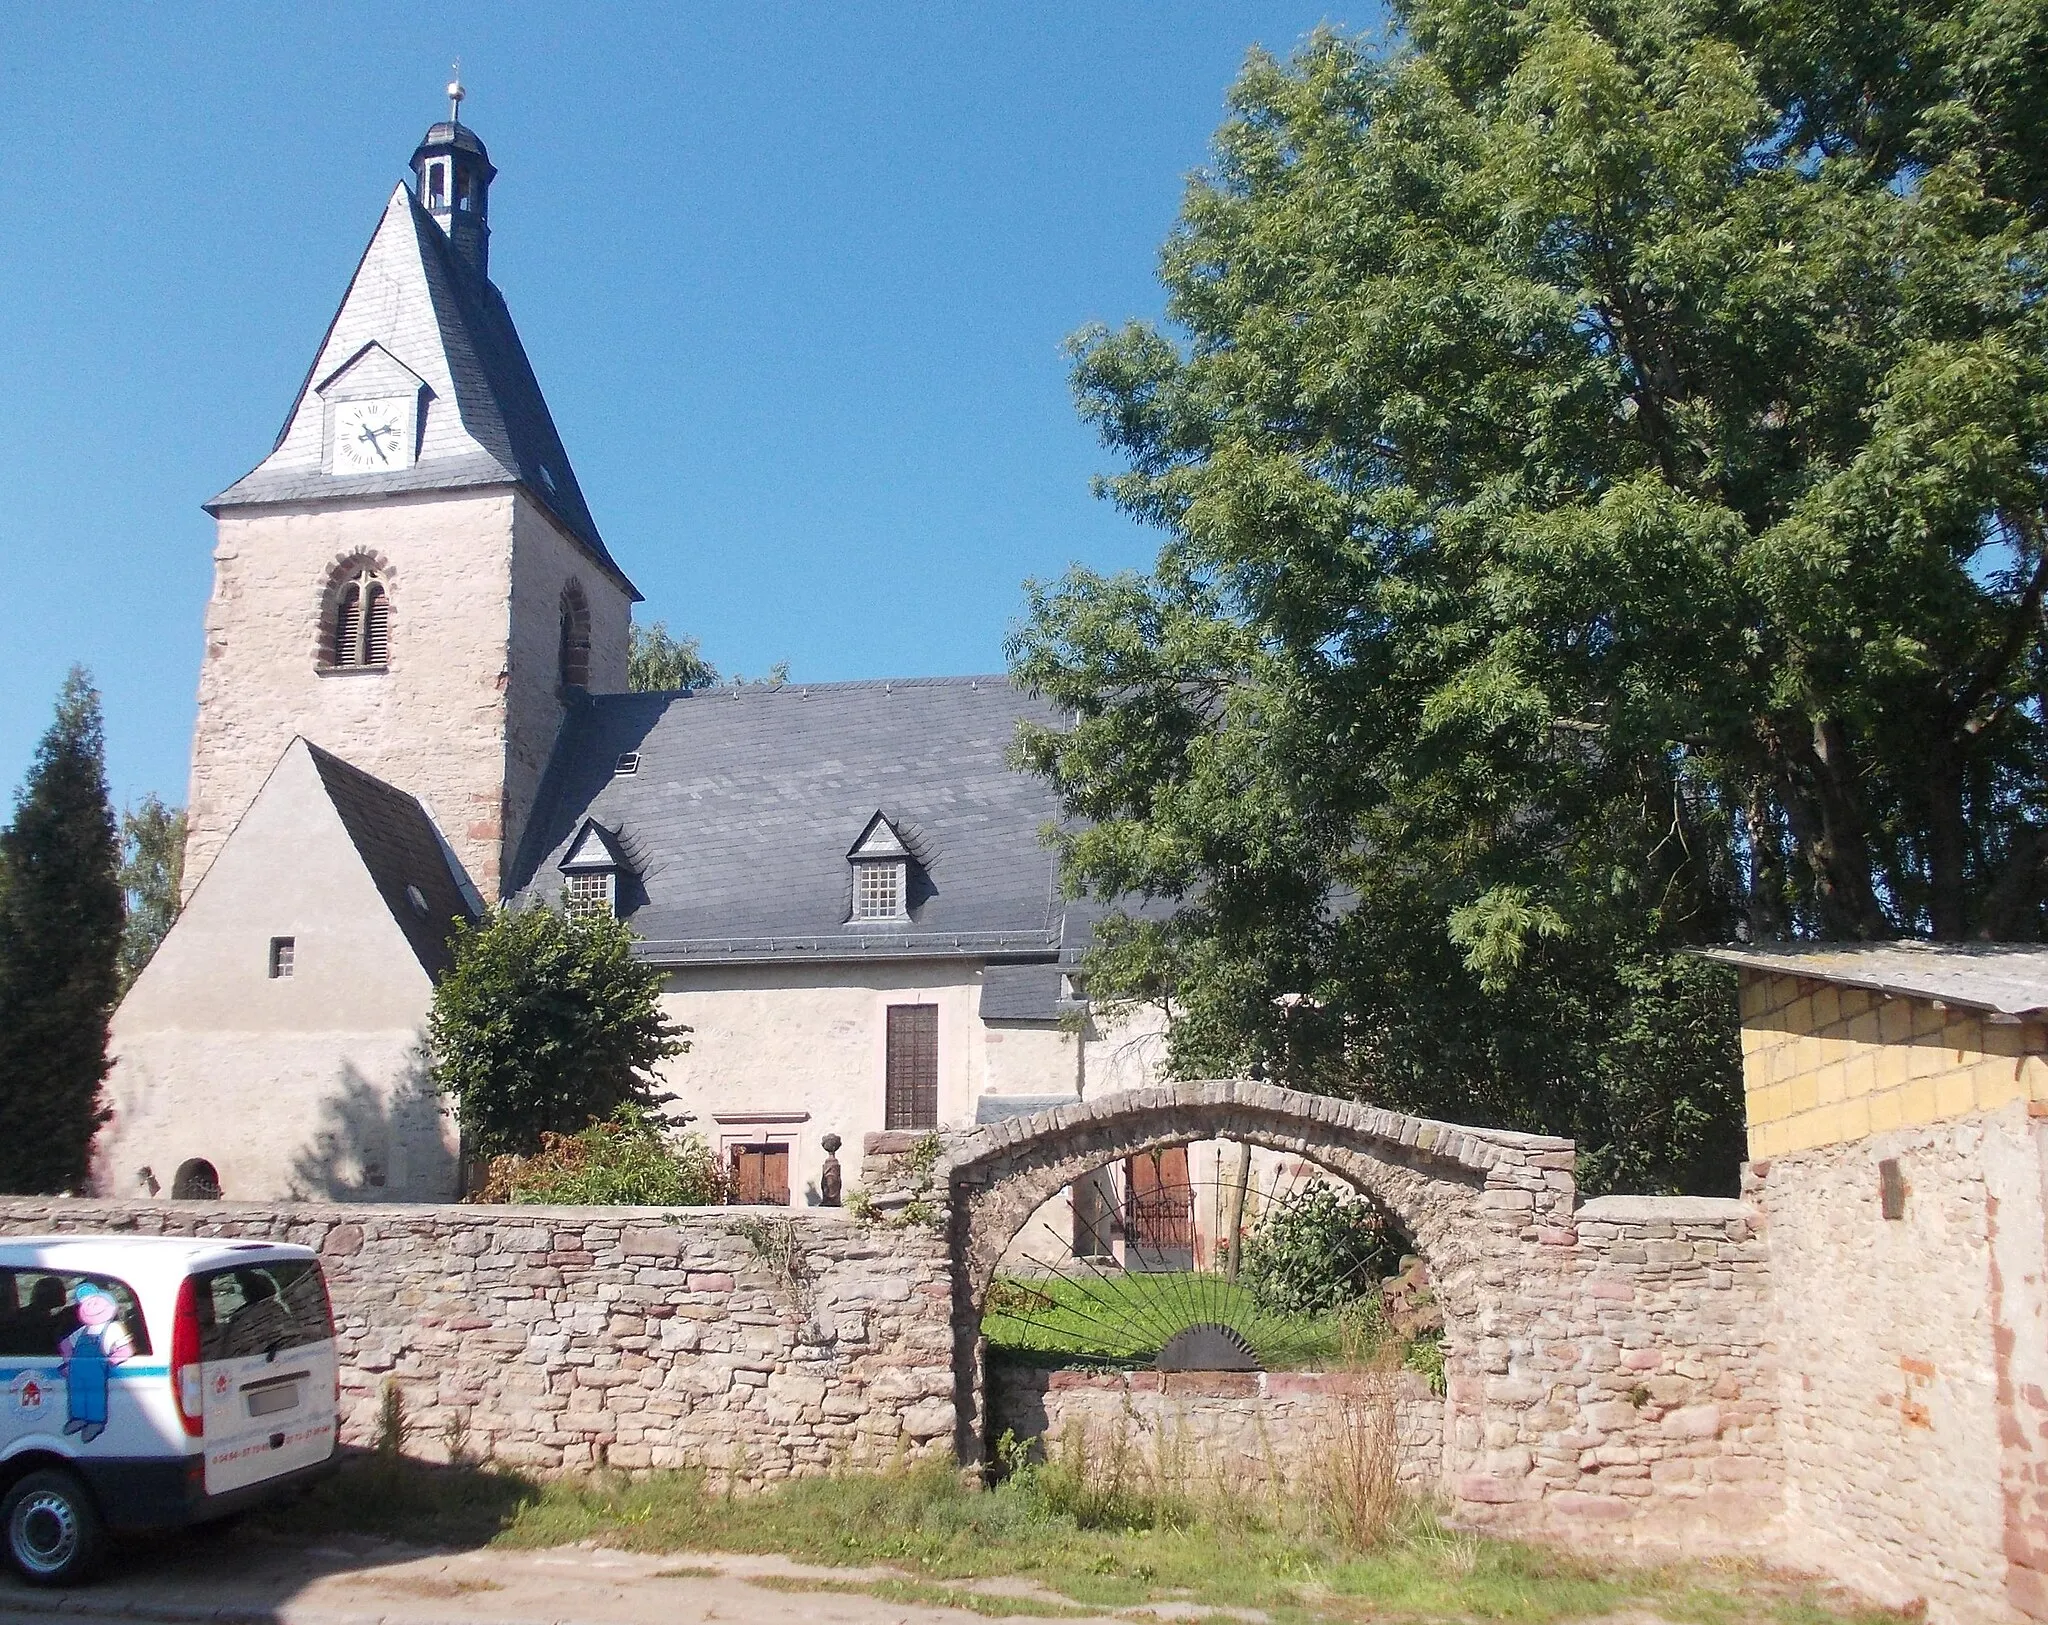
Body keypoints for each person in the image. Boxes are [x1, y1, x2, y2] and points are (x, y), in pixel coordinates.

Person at [59, 1286, 133, 1444]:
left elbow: (125, 1349)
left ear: (111, 1307)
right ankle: (77, 1418)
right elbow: (66, 1344)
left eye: (97, 1303)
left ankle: (95, 1422)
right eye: (88, 1304)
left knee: (95, 1394)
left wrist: (112, 1360)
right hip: (76, 1370)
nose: (91, 1307)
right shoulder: (82, 1330)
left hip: (96, 1368)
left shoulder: (113, 1328)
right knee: (76, 1392)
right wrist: (68, 1362)